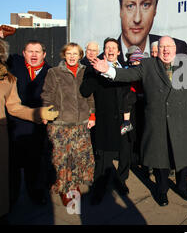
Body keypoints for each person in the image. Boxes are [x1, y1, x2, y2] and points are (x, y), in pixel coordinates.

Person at [91, 36, 187, 207]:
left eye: (169, 46)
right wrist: (109, 71)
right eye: (162, 47)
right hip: (158, 121)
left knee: (183, 156)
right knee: (160, 158)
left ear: (175, 49)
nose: (165, 50)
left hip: (182, 120)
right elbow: (128, 73)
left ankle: (182, 187)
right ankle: (162, 190)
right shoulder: (148, 65)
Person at [0, 39, 58, 223]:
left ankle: (36, 193)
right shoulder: (13, 66)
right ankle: (11, 198)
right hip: (12, 127)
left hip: (38, 126)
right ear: (23, 53)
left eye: (37, 51)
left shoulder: (51, 72)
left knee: (35, 165)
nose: (33, 55)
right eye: (30, 51)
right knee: (11, 168)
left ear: (44, 54)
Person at [41, 42, 96, 207]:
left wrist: (92, 115)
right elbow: (47, 94)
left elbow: (90, 96)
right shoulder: (54, 72)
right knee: (62, 160)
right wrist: (46, 112)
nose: (72, 57)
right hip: (61, 124)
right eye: (69, 53)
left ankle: (75, 186)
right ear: (64, 55)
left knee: (78, 158)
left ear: (80, 56)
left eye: (75, 54)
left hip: (81, 123)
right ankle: (65, 189)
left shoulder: (85, 72)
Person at [80, 38, 132, 205]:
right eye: (107, 47)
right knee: (103, 157)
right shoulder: (93, 69)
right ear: (104, 51)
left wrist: (127, 115)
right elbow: (85, 91)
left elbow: (129, 95)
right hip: (105, 121)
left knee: (125, 152)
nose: (110, 50)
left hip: (125, 118)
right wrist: (96, 73)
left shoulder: (125, 69)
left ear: (118, 52)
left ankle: (120, 180)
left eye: (113, 48)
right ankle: (99, 189)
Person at [117, 0, 187, 64]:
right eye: (130, 6)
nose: (137, 19)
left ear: (155, 8)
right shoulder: (104, 58)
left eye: (146, 5)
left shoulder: (179, 48)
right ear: (120, 9)